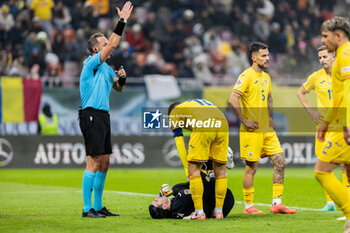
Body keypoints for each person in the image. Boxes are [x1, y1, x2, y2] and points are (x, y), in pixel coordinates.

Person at [78, 1, 133, 218]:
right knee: (93, 160)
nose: (107, 45)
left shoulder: (107, 68)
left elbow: (118, 89)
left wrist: (123, 79)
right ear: (95, 49)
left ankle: (98, 206)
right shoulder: (90, 64)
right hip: (90, 114)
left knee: (105, 162)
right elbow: (113, 44)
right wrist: (122, 21)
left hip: (103, 115)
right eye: (103, 43)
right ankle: (86, 208)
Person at [229, 42, 296, 215]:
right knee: (252, 167)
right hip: (252, 131)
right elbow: (233, 100)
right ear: (254, 57)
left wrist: (271, 117)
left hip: (267, 129)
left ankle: (276, 204)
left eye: (268, 55)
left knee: (281, 163)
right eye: (264, 55)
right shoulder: (246, 76)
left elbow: (270, 98)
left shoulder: (266, 77)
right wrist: (244, 120)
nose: (268, 59)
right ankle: (248, 207)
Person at [297, 45, 349, 212]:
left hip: (341, 126)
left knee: (344, 165)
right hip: (323, 128)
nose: (322, 60)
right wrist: (311, 112)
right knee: (324, 165)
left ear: (333, 57)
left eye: (325, 57)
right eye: (320, 58)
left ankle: (347, 200)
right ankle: (330, 203)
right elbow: (300, 92)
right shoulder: (315, 77)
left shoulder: (343, 75)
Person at [316, 16, 350, 233]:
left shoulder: (346, 55)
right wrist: (326, 122)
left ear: (338, 35)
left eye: (325, 36)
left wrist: (346, 124)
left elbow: (347, 93)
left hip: (346, 123)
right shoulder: (343, 56)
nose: (322, 40)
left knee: (321, 171)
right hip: (339, 121)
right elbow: (338, 97)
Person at [168, 99, 229, 220]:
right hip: (223, 122)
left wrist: (187, 168)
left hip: (204, 123)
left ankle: (199, 212)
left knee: (194, 170)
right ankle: (218, 212)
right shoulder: (193, 104)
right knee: (221, 171)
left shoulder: (174, 113)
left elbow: (179, 142)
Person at [149, 171, 234, 219]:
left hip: (218, 204)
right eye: (156, 200)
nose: (156, 197)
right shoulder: (182, 199)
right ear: (164, 206)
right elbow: (203, 193)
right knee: (196, 171)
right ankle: (215, 172)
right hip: (224, 199)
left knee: (176, 188)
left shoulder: (172, 214)